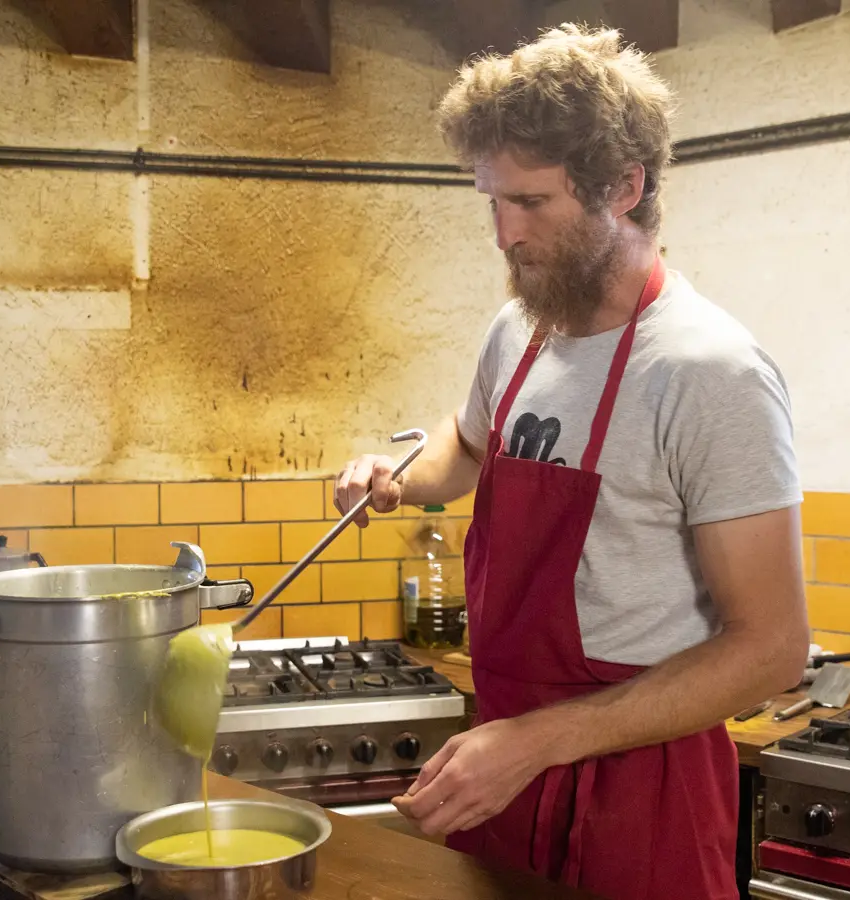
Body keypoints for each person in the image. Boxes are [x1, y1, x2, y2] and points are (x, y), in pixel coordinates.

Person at [331, 23, 811, 900]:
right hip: (508, 764)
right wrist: (399, 481)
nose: (503, 235)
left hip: (643, 788)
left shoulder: (709, 372)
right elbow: (471, 443)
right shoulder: (520, 331)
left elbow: (773, 648)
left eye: (532, 203)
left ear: (624, 187)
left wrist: (540, 740)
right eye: (492, 202)